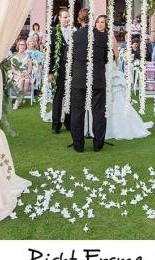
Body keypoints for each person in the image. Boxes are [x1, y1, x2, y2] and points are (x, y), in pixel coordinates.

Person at [69, 10, 113, 152]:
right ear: (92, 20)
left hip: (78, 78)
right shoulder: (102, 37)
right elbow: (107, 58)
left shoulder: (74, 36)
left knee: (77, 111)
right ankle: (98, 144)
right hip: (98, 78)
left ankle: (78, 145)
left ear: (79, 20)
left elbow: (69, 59)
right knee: (99, 111)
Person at [47, 8, 73, 134]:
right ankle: (56, 124)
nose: (67, 19)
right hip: (59, 70)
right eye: (65, 17)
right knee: (58, 96)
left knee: (70, 96)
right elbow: (50, 54)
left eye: (68, 17)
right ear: (59, 18)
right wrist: (50, 72)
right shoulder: (54, 33)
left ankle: (68, 122)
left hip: (72, 70)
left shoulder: (73, 32)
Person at [9, 39, 35, 110]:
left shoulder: (28, 56)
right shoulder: (14, 56)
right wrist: (19, 74)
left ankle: (17, 102)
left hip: (26, 74)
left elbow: (30, 68)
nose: (22, 46)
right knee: (21, 81)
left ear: (25, 46)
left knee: (26, 81)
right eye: (21, 44)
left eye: (24, 44)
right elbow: (13, 69)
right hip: (17, 75)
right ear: (18, 45)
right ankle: (19, 102)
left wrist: (26, 73)